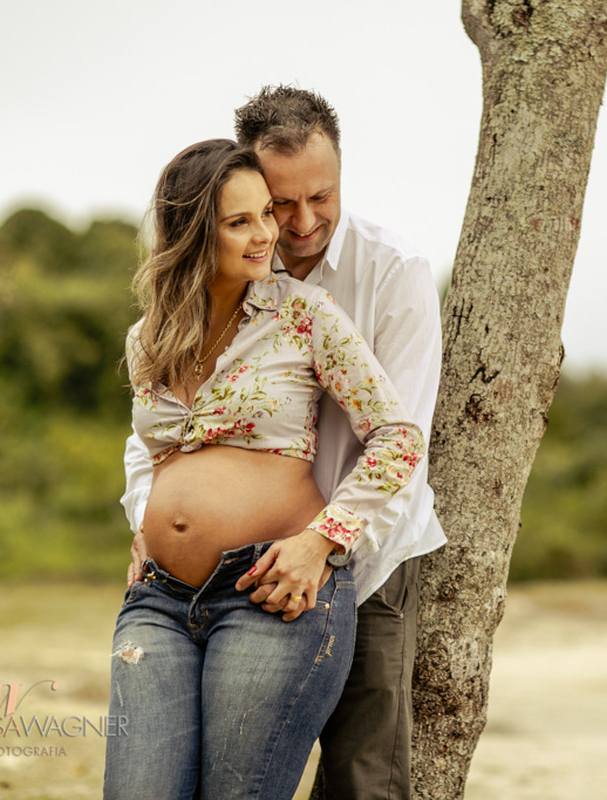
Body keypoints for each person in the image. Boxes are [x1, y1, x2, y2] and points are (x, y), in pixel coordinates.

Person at [122, 86, 445, 799]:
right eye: (272, 206)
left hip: (358, 554)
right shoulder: (163, 326)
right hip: (183, 591)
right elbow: (156, 445)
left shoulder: (381, 279)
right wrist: (145, 526)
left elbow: (401, 434)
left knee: (361, 778)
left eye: (317, 198)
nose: (295, 225)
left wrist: (321, 547)